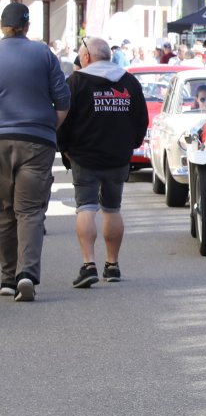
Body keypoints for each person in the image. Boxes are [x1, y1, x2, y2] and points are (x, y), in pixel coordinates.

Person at [57, 38, 148, 288]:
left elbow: (64, 118)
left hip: (83, 156)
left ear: (86, 58)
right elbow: (141, 119)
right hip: (118, 157)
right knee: (112, 208)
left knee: (86, 208)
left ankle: (89, 265)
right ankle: (112, 265)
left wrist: (64, 147)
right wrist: (131, 145)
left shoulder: (76, 82)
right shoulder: (129, 81)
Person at [0, 2, 72, 301]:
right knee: (30, 211)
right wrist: (47, 129)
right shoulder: (44, 53)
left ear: (2, 26)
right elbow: (63, 101)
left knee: (4, 210)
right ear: (27, 26)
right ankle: (26, 275)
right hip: (37, 140)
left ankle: (6, 278)